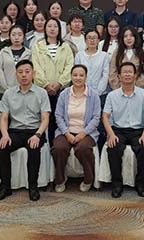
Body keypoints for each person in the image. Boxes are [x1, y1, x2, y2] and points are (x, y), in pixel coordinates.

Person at [0, 60, 51, 202]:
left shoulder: (41, 93)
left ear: (33, 74)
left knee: (34, 148)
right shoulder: (8, 93)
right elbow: (4, 118)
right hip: (15, 131)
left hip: (34, 130)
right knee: (2, 148)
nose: (24, 75)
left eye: (27, 71)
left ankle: (33, 187)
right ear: (16, 75)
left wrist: (38, 135)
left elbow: (45, 119)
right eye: (20, 72)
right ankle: (5, 187)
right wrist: (5, 135)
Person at [103, 62, 144, 198]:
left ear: (135, 75)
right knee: (113, 147)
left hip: (138, 131)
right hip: (118, 130)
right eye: (124, 72)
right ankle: (117, 185)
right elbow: (105, 116)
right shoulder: (112, 95)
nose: (127, 74)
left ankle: (141, 184)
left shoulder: (143, 94)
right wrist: (111, 135)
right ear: (119, 76)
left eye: (130, 72)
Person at [52, 65, 101, 193]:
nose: (78, 78)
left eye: (81, 75)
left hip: (87, 132)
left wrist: (83, 133)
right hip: (66, 131)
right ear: (71, 77)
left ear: (86, 77)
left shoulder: (93, 95)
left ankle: (88, 179)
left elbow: (96, 118)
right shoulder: (64, 94)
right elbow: (58, 115)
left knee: (83, 148)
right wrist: (66, 133)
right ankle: (60, 179)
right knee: (59, 148)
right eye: (75, 75)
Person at [31, 17, 74, 144]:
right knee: (44, 119)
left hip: (61, 90)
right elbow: (36, 67)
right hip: (42, 90)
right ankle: (45, 146)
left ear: (59, 29)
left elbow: (69, 66)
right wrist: (46, 85)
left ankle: (57, 145)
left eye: (55, 26)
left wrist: (59, 83)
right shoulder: (38, 46)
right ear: (45, 29)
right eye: (49, 26)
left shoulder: (66, 46)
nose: (52, 29)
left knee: (60, 119)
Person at [108, 26, 144, 90]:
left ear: (135, 37)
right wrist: (120, 88)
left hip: (138, 90)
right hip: (119, 90)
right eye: (125, 36)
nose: (128, 38)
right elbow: (112, 72)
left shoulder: (142, 53)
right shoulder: (117, 53)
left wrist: (134, 89)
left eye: (131, 36)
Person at [0, 25, 32, 97]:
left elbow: (31, 72)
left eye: (19, 35)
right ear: (9, 36)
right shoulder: (4, 52)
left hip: (24, 91)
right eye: (13, 35)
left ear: (23, 37)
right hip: (5, 91)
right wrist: (6, 88)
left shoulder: (29, 53)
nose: (16, 37)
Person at [75, 30, 110, 96]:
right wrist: (83, 90)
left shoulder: (104, 56)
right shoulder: (79, 55)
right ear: (85, 40)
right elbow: (77, 74)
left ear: (98, 40)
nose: (92, 40)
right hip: (82, 92)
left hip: (101, 93)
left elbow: (105, 75)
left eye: (94, 38)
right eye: (89, 38)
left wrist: (98, 91)